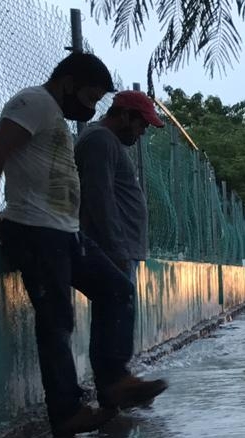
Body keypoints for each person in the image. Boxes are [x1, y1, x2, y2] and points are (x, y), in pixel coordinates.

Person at [0, 54, 165, 438]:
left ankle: (113, 382)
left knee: (117, 290)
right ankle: (67, 412)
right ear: (68, 83)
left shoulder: (54, 114)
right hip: (34, 227)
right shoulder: (33, 102)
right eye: (89, 97)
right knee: (56, 320)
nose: (89, 108)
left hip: (64, 230)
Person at [74, 90, 170, 414]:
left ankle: (114, 389)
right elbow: (98, 197)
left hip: (119, 247)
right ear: (125, 115)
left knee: (113, 308)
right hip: (110, 247)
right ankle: (116, 382)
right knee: (117, 302)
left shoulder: (107, 142)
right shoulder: (100, 140)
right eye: (141, 124)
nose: (142, 132)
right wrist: (113, 248)